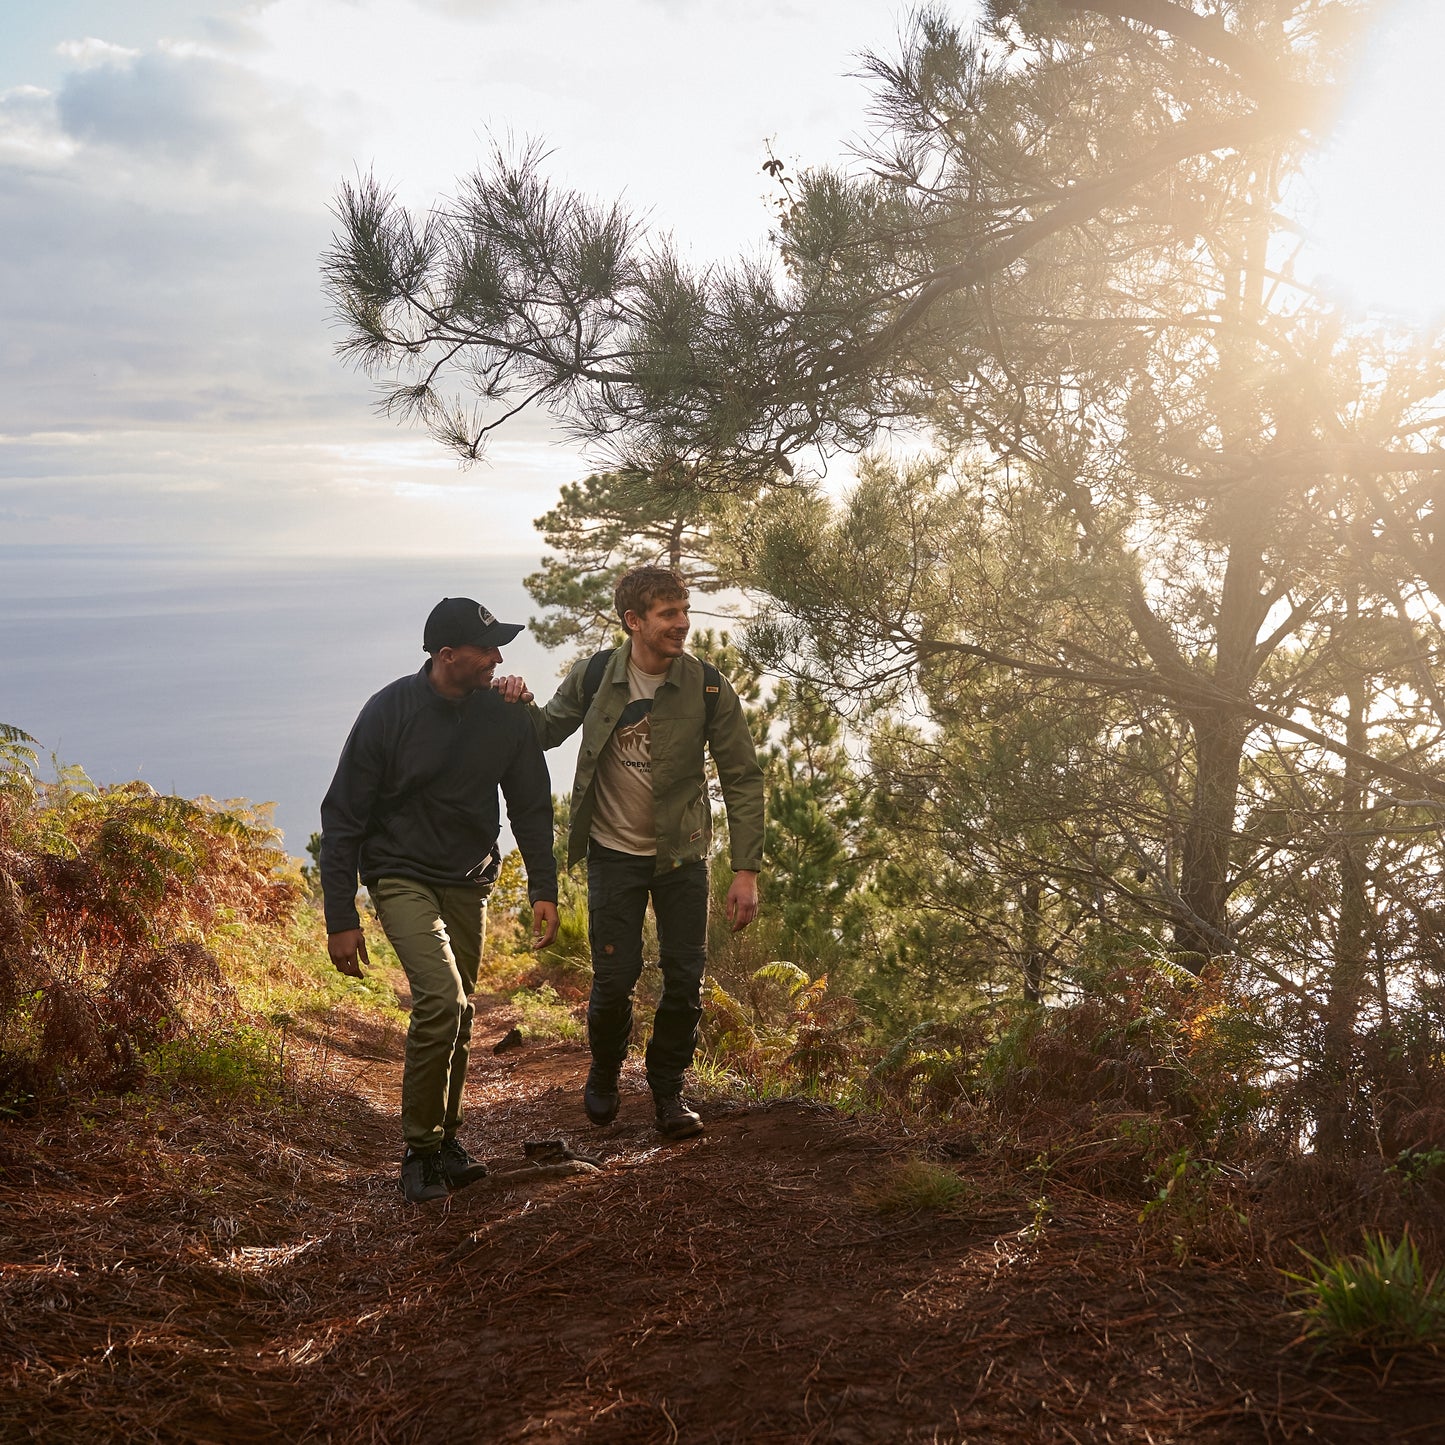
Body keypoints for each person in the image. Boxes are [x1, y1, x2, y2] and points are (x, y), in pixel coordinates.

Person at [502, 565, 764, 1140]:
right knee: (614, 977)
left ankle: (669, 1092)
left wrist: (745, 870)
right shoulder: (596, 675)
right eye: (668, 614)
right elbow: (544, 731)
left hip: (682, 857)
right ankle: (603, 1070)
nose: (683, 624)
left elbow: (743, 777)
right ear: (634, 621)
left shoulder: (707, 685)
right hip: (613, 854)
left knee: (684, 979)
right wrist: (516, 698)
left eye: (684, 611)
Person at [320, 597, 559, 1204]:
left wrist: (543, 888)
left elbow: (530, 805)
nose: (498, 659)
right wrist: (341, 916)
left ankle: (447, 1143)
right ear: (448, 656)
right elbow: (343, 812)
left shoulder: (505, 713)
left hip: (468, 877)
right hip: (399, 872)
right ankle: (419, 1152)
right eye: (486, 650)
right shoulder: (390, 710)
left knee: (463, 1011)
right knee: (442, 1000)